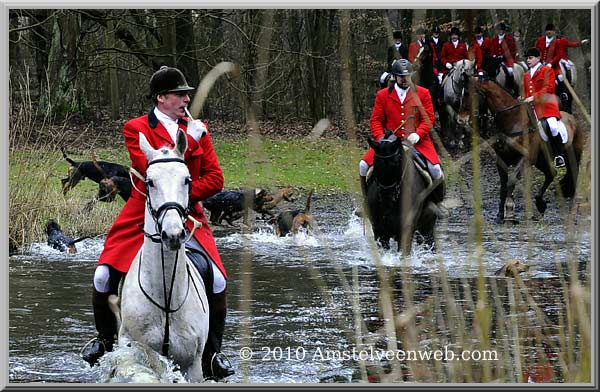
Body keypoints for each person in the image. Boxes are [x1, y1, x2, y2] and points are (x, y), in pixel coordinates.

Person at [81, 66, 235, 381]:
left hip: (187, 212)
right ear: (162, 97)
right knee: (101, 276)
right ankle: (106, 342)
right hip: (143, 209)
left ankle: (212, 354)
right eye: (180, 94)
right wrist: (188, 144)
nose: (186, 99)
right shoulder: (136, 127)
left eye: (187, 94)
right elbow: (147, 166)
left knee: (218, 281)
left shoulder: (198, 128)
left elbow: (216, 179)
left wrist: (183, 196)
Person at [359, 59, 444, 204]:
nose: (404, 79)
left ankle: (437, 204)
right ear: (394, 76)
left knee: (435, 169)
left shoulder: (423, 93)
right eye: (401, 76)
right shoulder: (383, 95)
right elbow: (376, 120)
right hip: (389, 144)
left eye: (407, 76)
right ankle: (367, 202)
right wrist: (381, 139)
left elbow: (428, 118)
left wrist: (419, 134)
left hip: (418, 142)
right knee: (363, 165)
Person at [523, 48, 568, 168]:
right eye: (527, 58)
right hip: (532, 108)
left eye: (530, 58)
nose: (528, 60)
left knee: (552, 127)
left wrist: (533, 97)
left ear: (538, 58)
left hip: (547, 106)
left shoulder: (547, 70)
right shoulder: (526, 75)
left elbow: (549, 88)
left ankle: (559, 155)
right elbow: (526, 92)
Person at [536, 23, 590, 113]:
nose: (549, 32)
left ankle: (564, 94)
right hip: (541, 64)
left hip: (555, 64)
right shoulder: (540, 40)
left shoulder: (558, 41)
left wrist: (550, 64)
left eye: (551, 30)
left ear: (554, 32)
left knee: (560, 77)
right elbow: (536, 51)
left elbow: (560, 54)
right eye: (547, 30)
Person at [490, 22, 517, 94]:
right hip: (496, 60)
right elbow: (492, 50)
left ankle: (510, 88)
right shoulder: (493, 40)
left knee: (510, 71)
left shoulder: (509, 39)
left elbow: (512, 50)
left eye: (501, 30)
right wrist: (494, 56)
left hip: (507, 61)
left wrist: (504, 57)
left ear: (504, 30)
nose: (499, 31)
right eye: (498, 30)